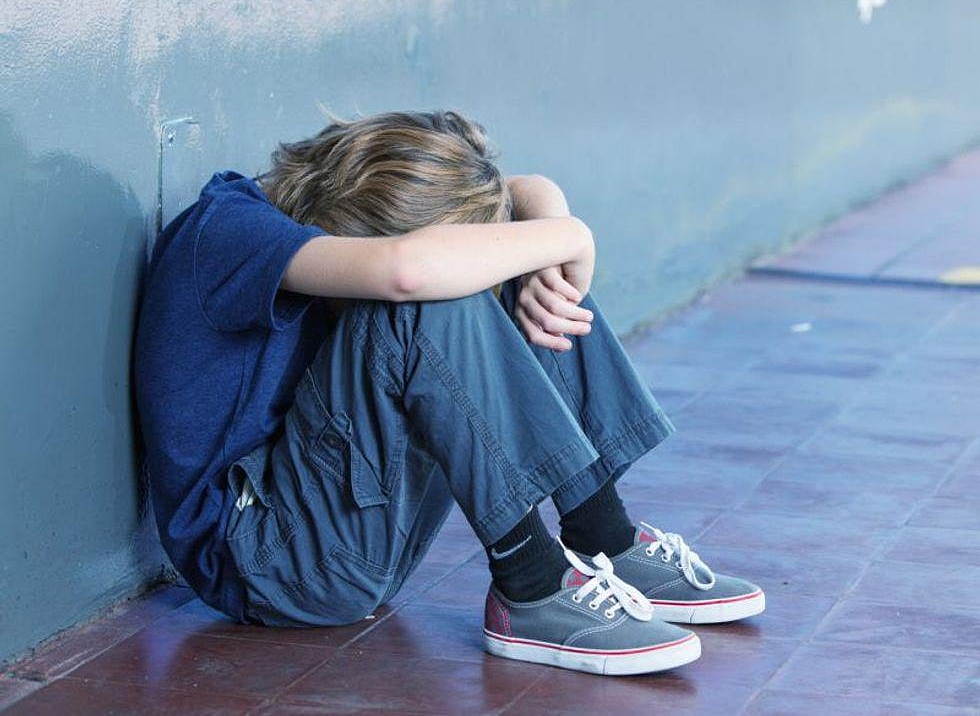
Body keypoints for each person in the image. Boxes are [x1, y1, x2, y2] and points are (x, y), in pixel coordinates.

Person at [134, 109, 764, 677]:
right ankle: (530, 584)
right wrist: (573, 238)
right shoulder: (227, 231)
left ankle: (604, 536)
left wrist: (551, 243)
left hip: (348, 533)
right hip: (270, 562)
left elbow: (526, 189)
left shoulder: (315, 210)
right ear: (365, 224)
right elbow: (409, 270)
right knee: (431, 296)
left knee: (524, 273)